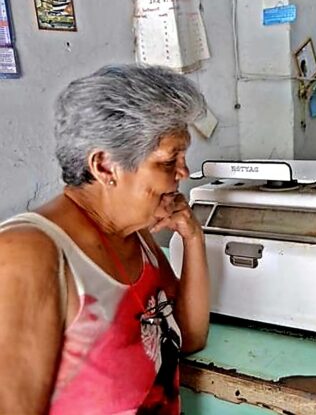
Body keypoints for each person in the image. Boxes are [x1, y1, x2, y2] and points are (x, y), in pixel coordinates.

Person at [0, 65, 210, 414]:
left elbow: (189, 337)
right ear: (104, 166)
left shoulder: (137, 236)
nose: (183, 173)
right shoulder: (29, 254)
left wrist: (193, 238)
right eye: (169, 160)